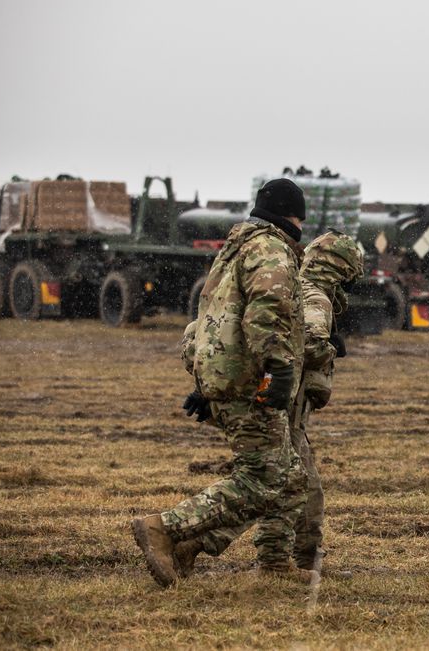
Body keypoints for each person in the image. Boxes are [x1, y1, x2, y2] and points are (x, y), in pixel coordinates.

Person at [131, 178, 309, 587]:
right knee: (260, 480)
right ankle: (166, 528)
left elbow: (208, 320)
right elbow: (267, 311)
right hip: (250, 382)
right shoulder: (270, 249)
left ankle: (254, 558)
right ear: (294, 215)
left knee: (290, 477)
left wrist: (204, 380)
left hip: (227, 377)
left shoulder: (234, 249)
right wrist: (278, 368)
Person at [173, 231, 364, 577]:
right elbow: (301, 344)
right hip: (281, 404)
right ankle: (196, 541)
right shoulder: (314, 296)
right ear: (341, 271)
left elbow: (204, 331)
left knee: (284, 486)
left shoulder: (279, 279)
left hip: (266, 398)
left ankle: (285, 560)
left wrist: (206, 387)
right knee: (284, 485)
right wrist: (328, 347)